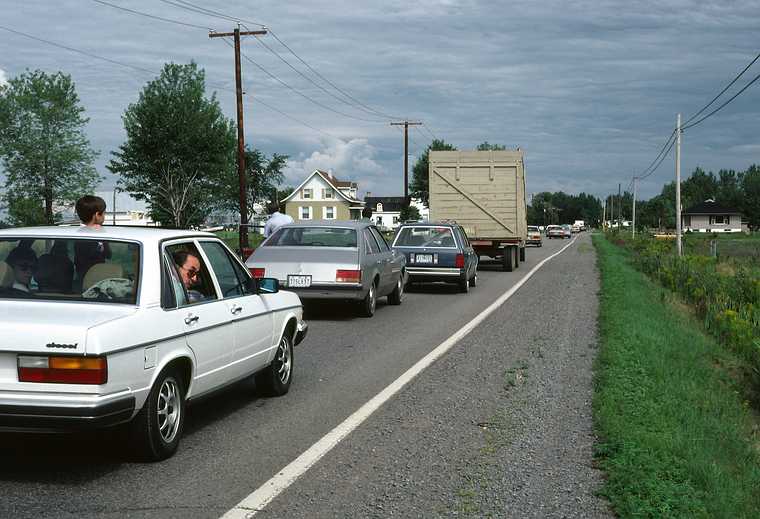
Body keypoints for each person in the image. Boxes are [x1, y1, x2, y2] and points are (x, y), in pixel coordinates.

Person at [74, 195, 112, 282]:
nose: (104, 217)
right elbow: (106, 255)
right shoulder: (84, 236)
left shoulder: (74, 233)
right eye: (104, 213)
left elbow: (108, 254)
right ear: (97, 215)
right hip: (91, 281)